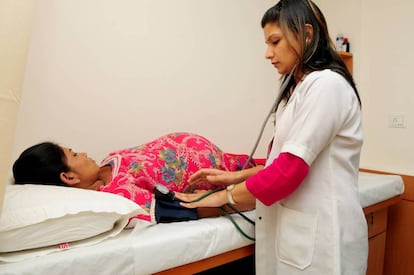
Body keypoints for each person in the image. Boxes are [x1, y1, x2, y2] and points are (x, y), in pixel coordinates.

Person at [175, 0, 368, 274]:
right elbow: (283, 160)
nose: (268, 53)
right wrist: (235, 176)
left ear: (307, 34)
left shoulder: (327, 85)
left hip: (325, 238)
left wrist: (222, 197)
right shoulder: (299, 91)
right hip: (299, 237)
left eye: (275, 41)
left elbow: (287, 172)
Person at [12, 132, 263, 223]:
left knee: (283, 160)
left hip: (230, 163)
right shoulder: (118, 197)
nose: (84, 153)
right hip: (227, 178)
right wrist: (246, 195)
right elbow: (186, 208)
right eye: (75, 154)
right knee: (288, 170)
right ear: (68, 177)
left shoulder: (106, 164)